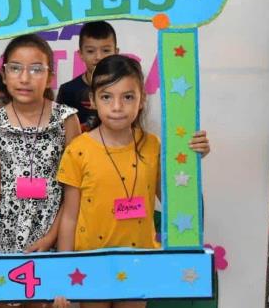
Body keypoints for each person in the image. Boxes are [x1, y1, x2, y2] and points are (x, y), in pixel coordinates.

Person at [54, 55, 210, 308]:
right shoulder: (78, 149)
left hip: (140, 261)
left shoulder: (152, 146)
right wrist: (63, 273)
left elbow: (173, 200)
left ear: (141, 100)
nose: (117, 106)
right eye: (107, 96)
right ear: (92, 100)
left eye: (128, 97)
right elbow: (70, 216)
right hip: (91, 264)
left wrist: (191, 161)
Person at [0, 34, 81, 308]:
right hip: (4, 236)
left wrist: (52, 237)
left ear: (50, 77)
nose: (25, 77)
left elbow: (73, 190)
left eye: (36, 69)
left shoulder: (67, 119)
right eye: (16, 68)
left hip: (52, 233)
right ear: (4, 73)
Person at [56, 21, 118, 132]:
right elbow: (60, 132)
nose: (99, 57)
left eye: (106, 50)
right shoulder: (68, 90)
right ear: (80, 54)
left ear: (116, 52)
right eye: (90, 51)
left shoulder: (124, 88)